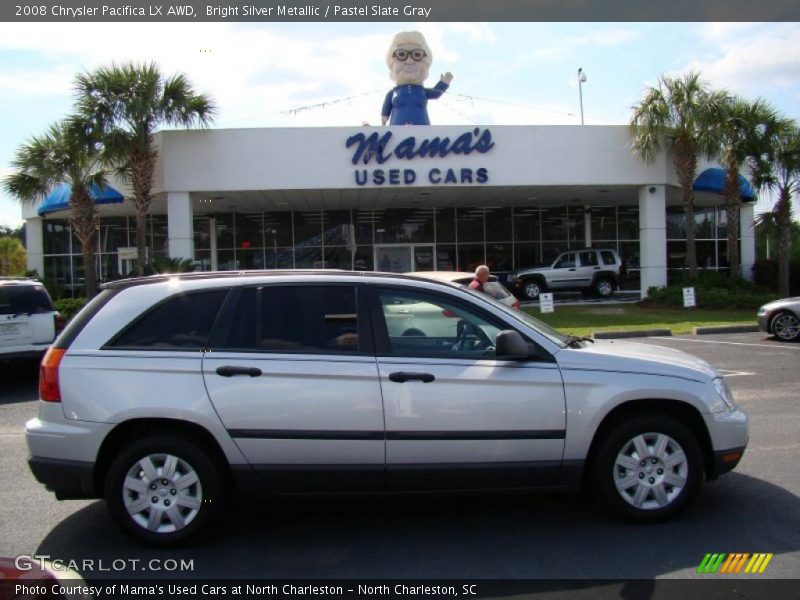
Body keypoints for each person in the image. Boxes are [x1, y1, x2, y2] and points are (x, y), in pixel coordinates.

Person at [381, 31, 454, 126]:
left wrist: (444, 83)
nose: (409, 61)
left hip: (422, 133)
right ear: (391, 63)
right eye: (401, 55)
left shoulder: (422, 91)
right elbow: (385, 112)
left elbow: (436, 93)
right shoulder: (392, 93)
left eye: (417, 55)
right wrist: (384, 118)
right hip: (396, 134)